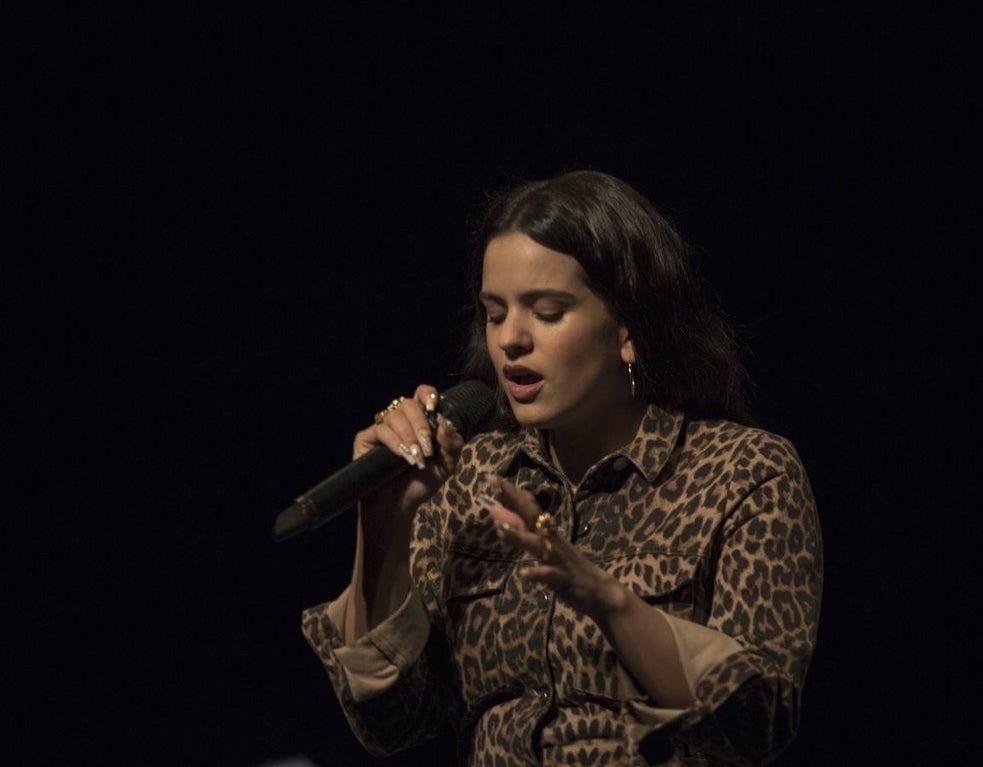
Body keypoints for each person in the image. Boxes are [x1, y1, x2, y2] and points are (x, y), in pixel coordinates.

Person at [301, 170, 823, 765]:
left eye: (547, 311)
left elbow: (755, 722)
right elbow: (390, 725)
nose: (511, 341)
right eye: (495, 314)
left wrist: (607, 599)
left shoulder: (746, 473)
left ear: (629, 329)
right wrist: (384, 525)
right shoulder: (471, 477)